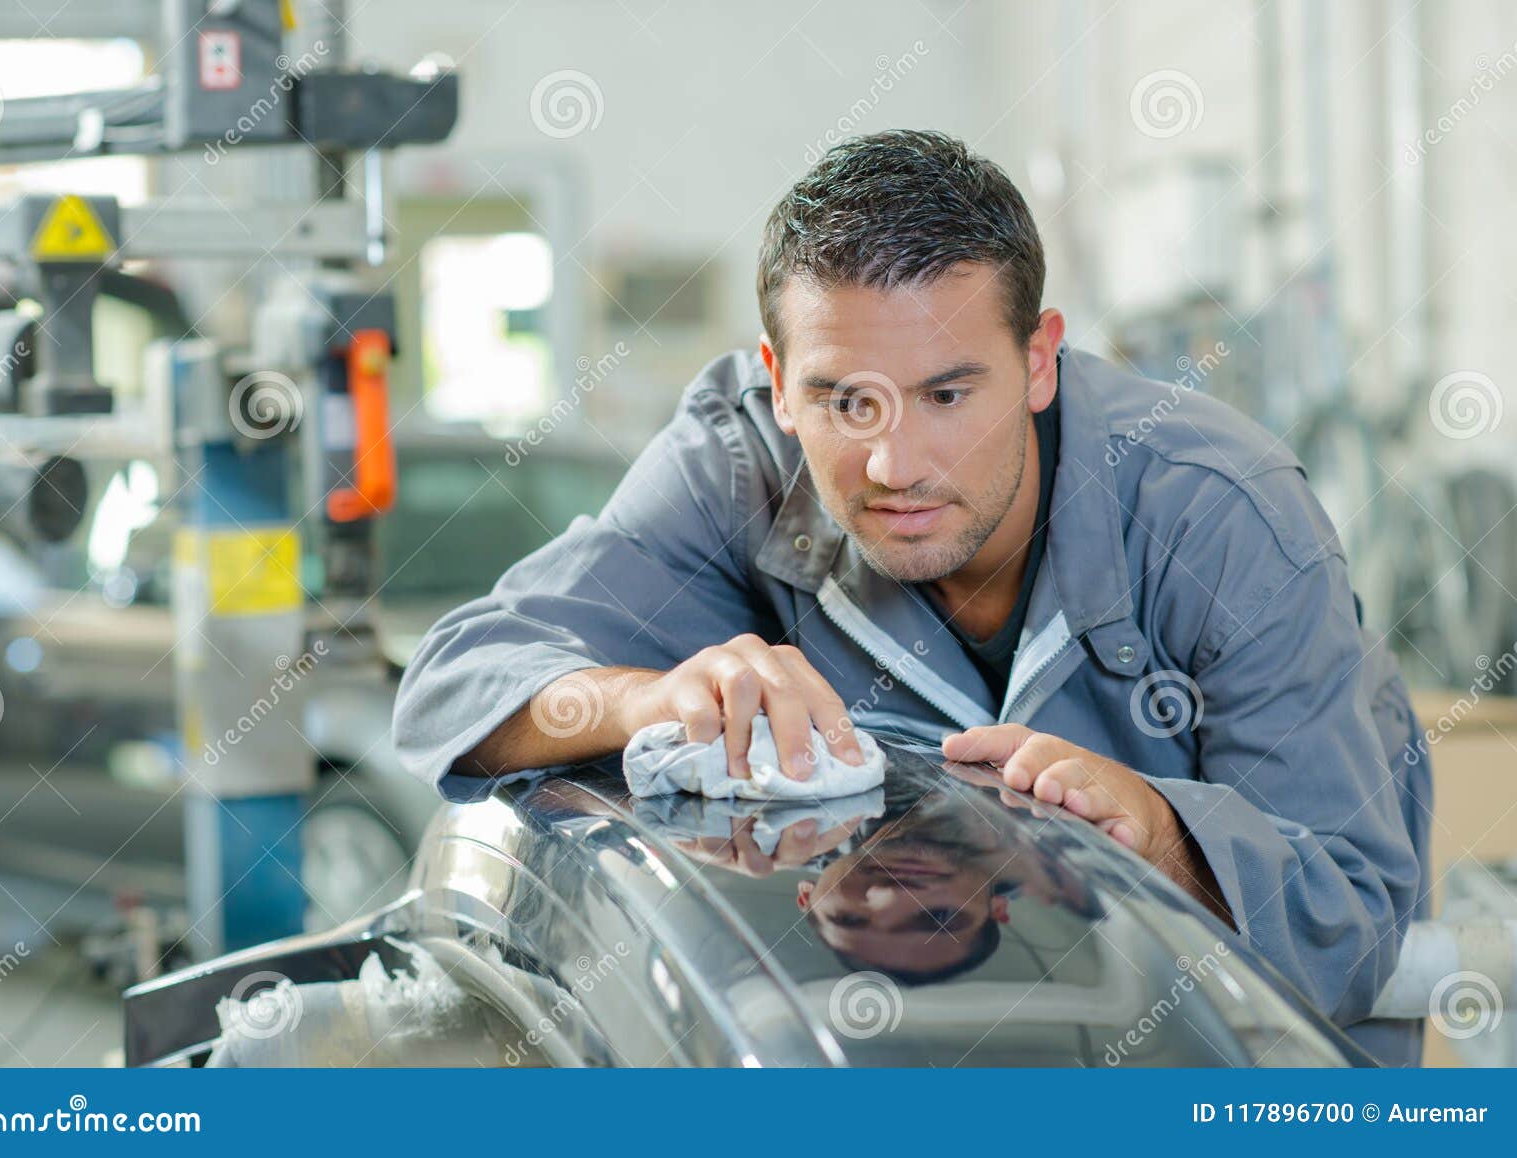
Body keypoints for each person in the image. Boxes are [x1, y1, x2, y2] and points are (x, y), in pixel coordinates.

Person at [394, 129, 1430, 1064]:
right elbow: (453, 687)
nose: (894, 464)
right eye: (844, 399)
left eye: (947, 395)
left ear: (1037, 361)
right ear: (776, 379)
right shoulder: (733, 466)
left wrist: (1159, 833)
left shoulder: (1216, 512)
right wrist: (649, 699)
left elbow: (1353, 913)